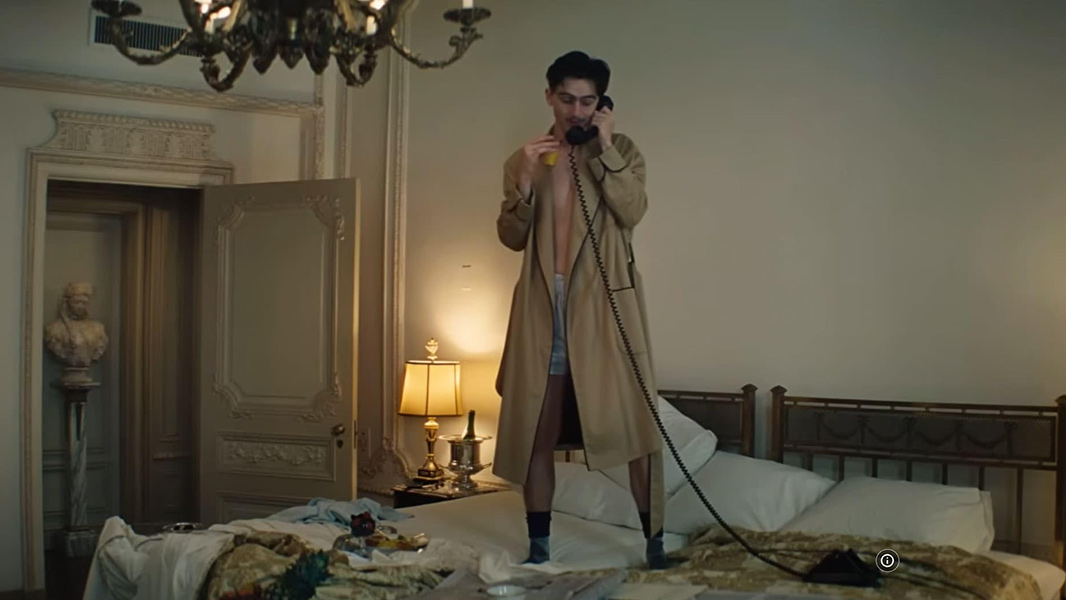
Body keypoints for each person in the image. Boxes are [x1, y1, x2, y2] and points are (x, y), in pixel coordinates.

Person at [493, 51, 668, 569]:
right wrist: (526, 181)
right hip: (543, 308)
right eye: (567, 99)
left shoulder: (622, 150)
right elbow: (511, 237)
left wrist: (606, 148)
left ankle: (654, 545)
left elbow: (632, 210)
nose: (576, 111)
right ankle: (539, 547)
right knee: (537, 429)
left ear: (602, 104)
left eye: (587, 101)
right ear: (549, 96)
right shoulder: (524, 159)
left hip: (606, 309)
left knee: (636, 430)